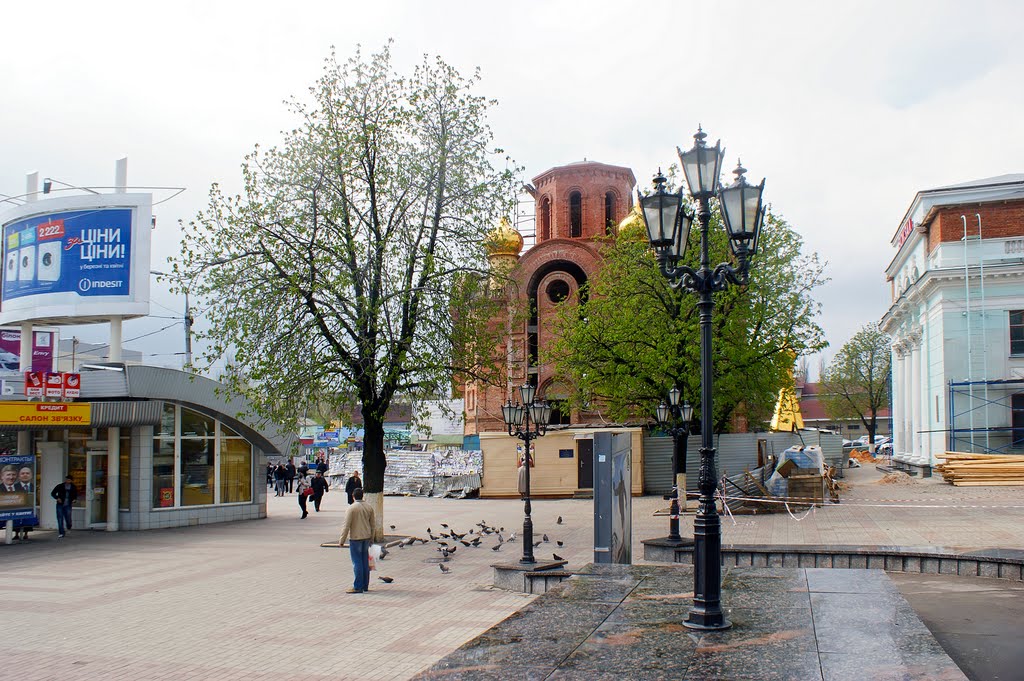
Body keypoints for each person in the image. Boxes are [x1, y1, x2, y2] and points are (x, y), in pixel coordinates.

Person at [338, 488, 382, 593]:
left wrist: (342, 540)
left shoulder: (352, 508)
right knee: (365, 562)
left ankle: (358, 586)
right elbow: (372, 525)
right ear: (363, 496)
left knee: (357, 562)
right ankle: (365, 585)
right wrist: (372, 538)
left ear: (353, 496)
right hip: (366, 538)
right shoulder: (369, 507)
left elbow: (346, 525)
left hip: (355, 538)